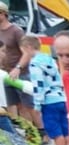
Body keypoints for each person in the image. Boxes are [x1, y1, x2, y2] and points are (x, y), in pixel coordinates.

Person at [21, 35, 68, 145]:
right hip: (60, 98)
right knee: (65, 130)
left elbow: (39, 85)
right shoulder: (50, 60)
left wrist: (37, 105)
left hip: (48, 101)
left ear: (28, 47)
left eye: (23, 50)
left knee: (56, 132)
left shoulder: (34, 64)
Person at [0, 3, 39, 132]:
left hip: (20, 73)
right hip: (5, 74)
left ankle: (33, 133)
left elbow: (26, 52)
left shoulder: (16, 31)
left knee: (26, 106)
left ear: (4, 14)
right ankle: (17, 133)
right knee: (11, 105)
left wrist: (18, 68)